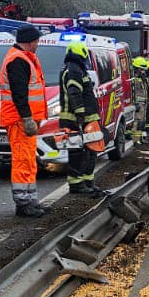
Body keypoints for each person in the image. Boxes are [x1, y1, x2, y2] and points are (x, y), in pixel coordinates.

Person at [0, 25, 49, 218]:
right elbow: (20, 94)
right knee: (22, 160)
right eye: (36, 41)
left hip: (24, 120)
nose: (38, 44)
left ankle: (30, 200)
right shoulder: (18, 61)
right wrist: (27, 118)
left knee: (28, 160)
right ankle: (23, 203)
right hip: (20, 120)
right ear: (29, 41)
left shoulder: (23, 59)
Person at [58, 40, 104, 199]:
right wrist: (80, 113)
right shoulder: (74, 69)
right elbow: (74, 92)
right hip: (76, 119)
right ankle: (77, 184)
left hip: (84, 118)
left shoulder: (75, 68)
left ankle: (86, 182)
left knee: (90, 150)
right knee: (78, 152)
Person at [130, 56, 149, 145]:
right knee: (136, 122)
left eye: (144, 70)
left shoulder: (143, 80)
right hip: (138, 105)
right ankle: (134, 140)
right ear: (136, 69)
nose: (143, 71)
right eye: (141, 70)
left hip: (144, 104)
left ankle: (138, 139)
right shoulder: (134, 80)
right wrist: (134, 104)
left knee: (141, 123)